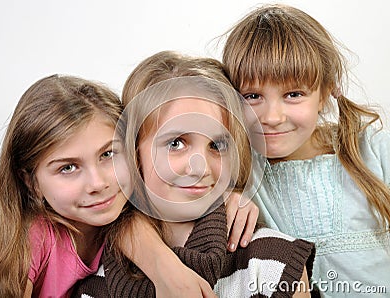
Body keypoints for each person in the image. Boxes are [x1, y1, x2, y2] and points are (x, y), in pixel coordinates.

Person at [74, 51, 316, 297]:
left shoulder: (273, 264)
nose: (200, 168)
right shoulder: (96, 282)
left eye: (217, 145)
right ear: (133, 153)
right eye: (176, 143)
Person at [221, 3, 390, 296]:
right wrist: (227, 194)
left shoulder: (373, 151)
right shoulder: (242, 171)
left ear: (325, 93)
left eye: (294, 94)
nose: (272, 117)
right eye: (252, 96)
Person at [0, 74, 133, 297]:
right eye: (68, 168)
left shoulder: (134, 218)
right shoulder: (31, 238)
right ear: (31, 182)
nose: (97, 183)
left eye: (107, 154)